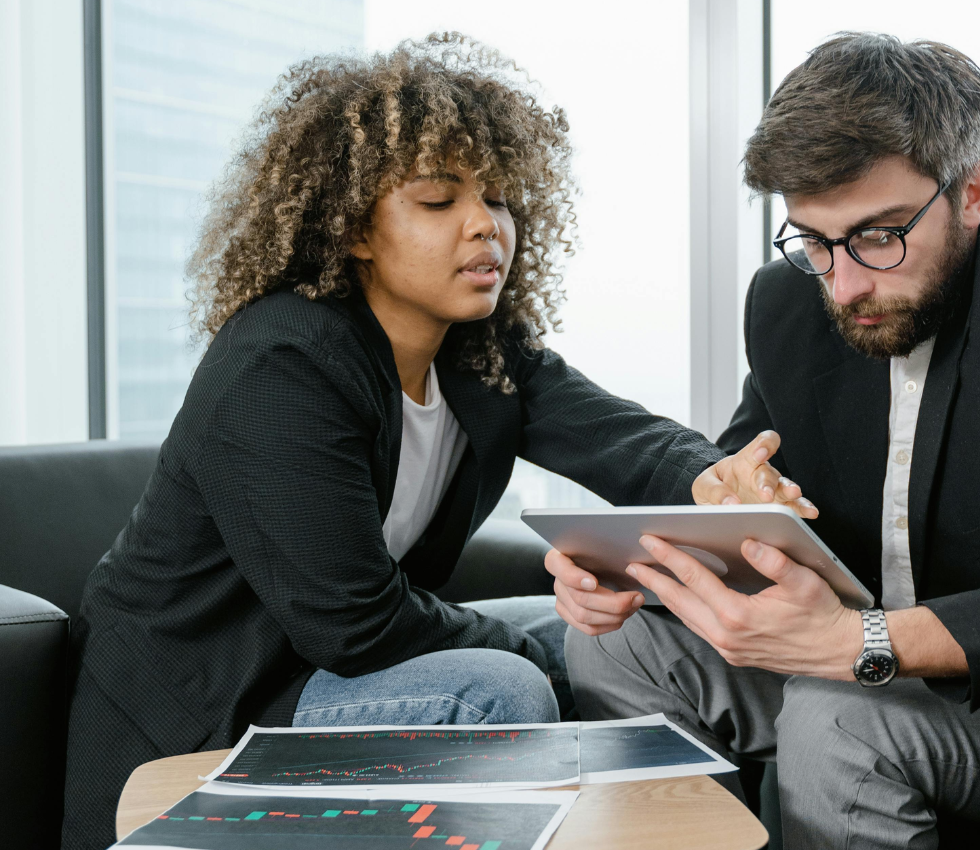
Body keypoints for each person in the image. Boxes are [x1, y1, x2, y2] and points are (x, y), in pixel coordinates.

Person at [62, 34, 803, 850]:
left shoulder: (477, 351)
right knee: (498, 685)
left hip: (339, 677)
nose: (487, 226)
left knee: (635, 641)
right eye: (439, 200)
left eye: (500, 199)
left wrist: (721, 482)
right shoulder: (281, 363)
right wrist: (539, 650)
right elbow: (352, 625)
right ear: (352, 230)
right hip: (217, 708)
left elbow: (625, 440)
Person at [555, 32, 980, 848]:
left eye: (880, 236)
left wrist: (865, 642)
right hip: (853, 667)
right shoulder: (790, 301)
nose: (844, 284)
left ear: (972, 192)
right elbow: (747, 484)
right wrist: (640, 568)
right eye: (813, 240)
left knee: (838, 717)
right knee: (619, 646)